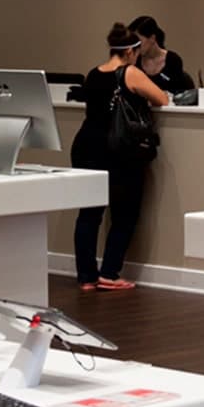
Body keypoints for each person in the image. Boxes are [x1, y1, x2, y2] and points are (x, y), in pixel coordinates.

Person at [71, 23, 170, 291]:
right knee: (124, 213)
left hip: (86, 146)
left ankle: (86, 276)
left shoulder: (93, 74)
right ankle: (109, 272)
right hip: (118, 150)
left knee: (89, 214)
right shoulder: (130, 73)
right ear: (130, 52)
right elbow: (162, 99)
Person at [129, 15, 195, 93]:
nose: (135, 45)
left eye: (138, 41)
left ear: (152, 38)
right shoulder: (135, 61)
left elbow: (178, 92)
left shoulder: (172, 60)